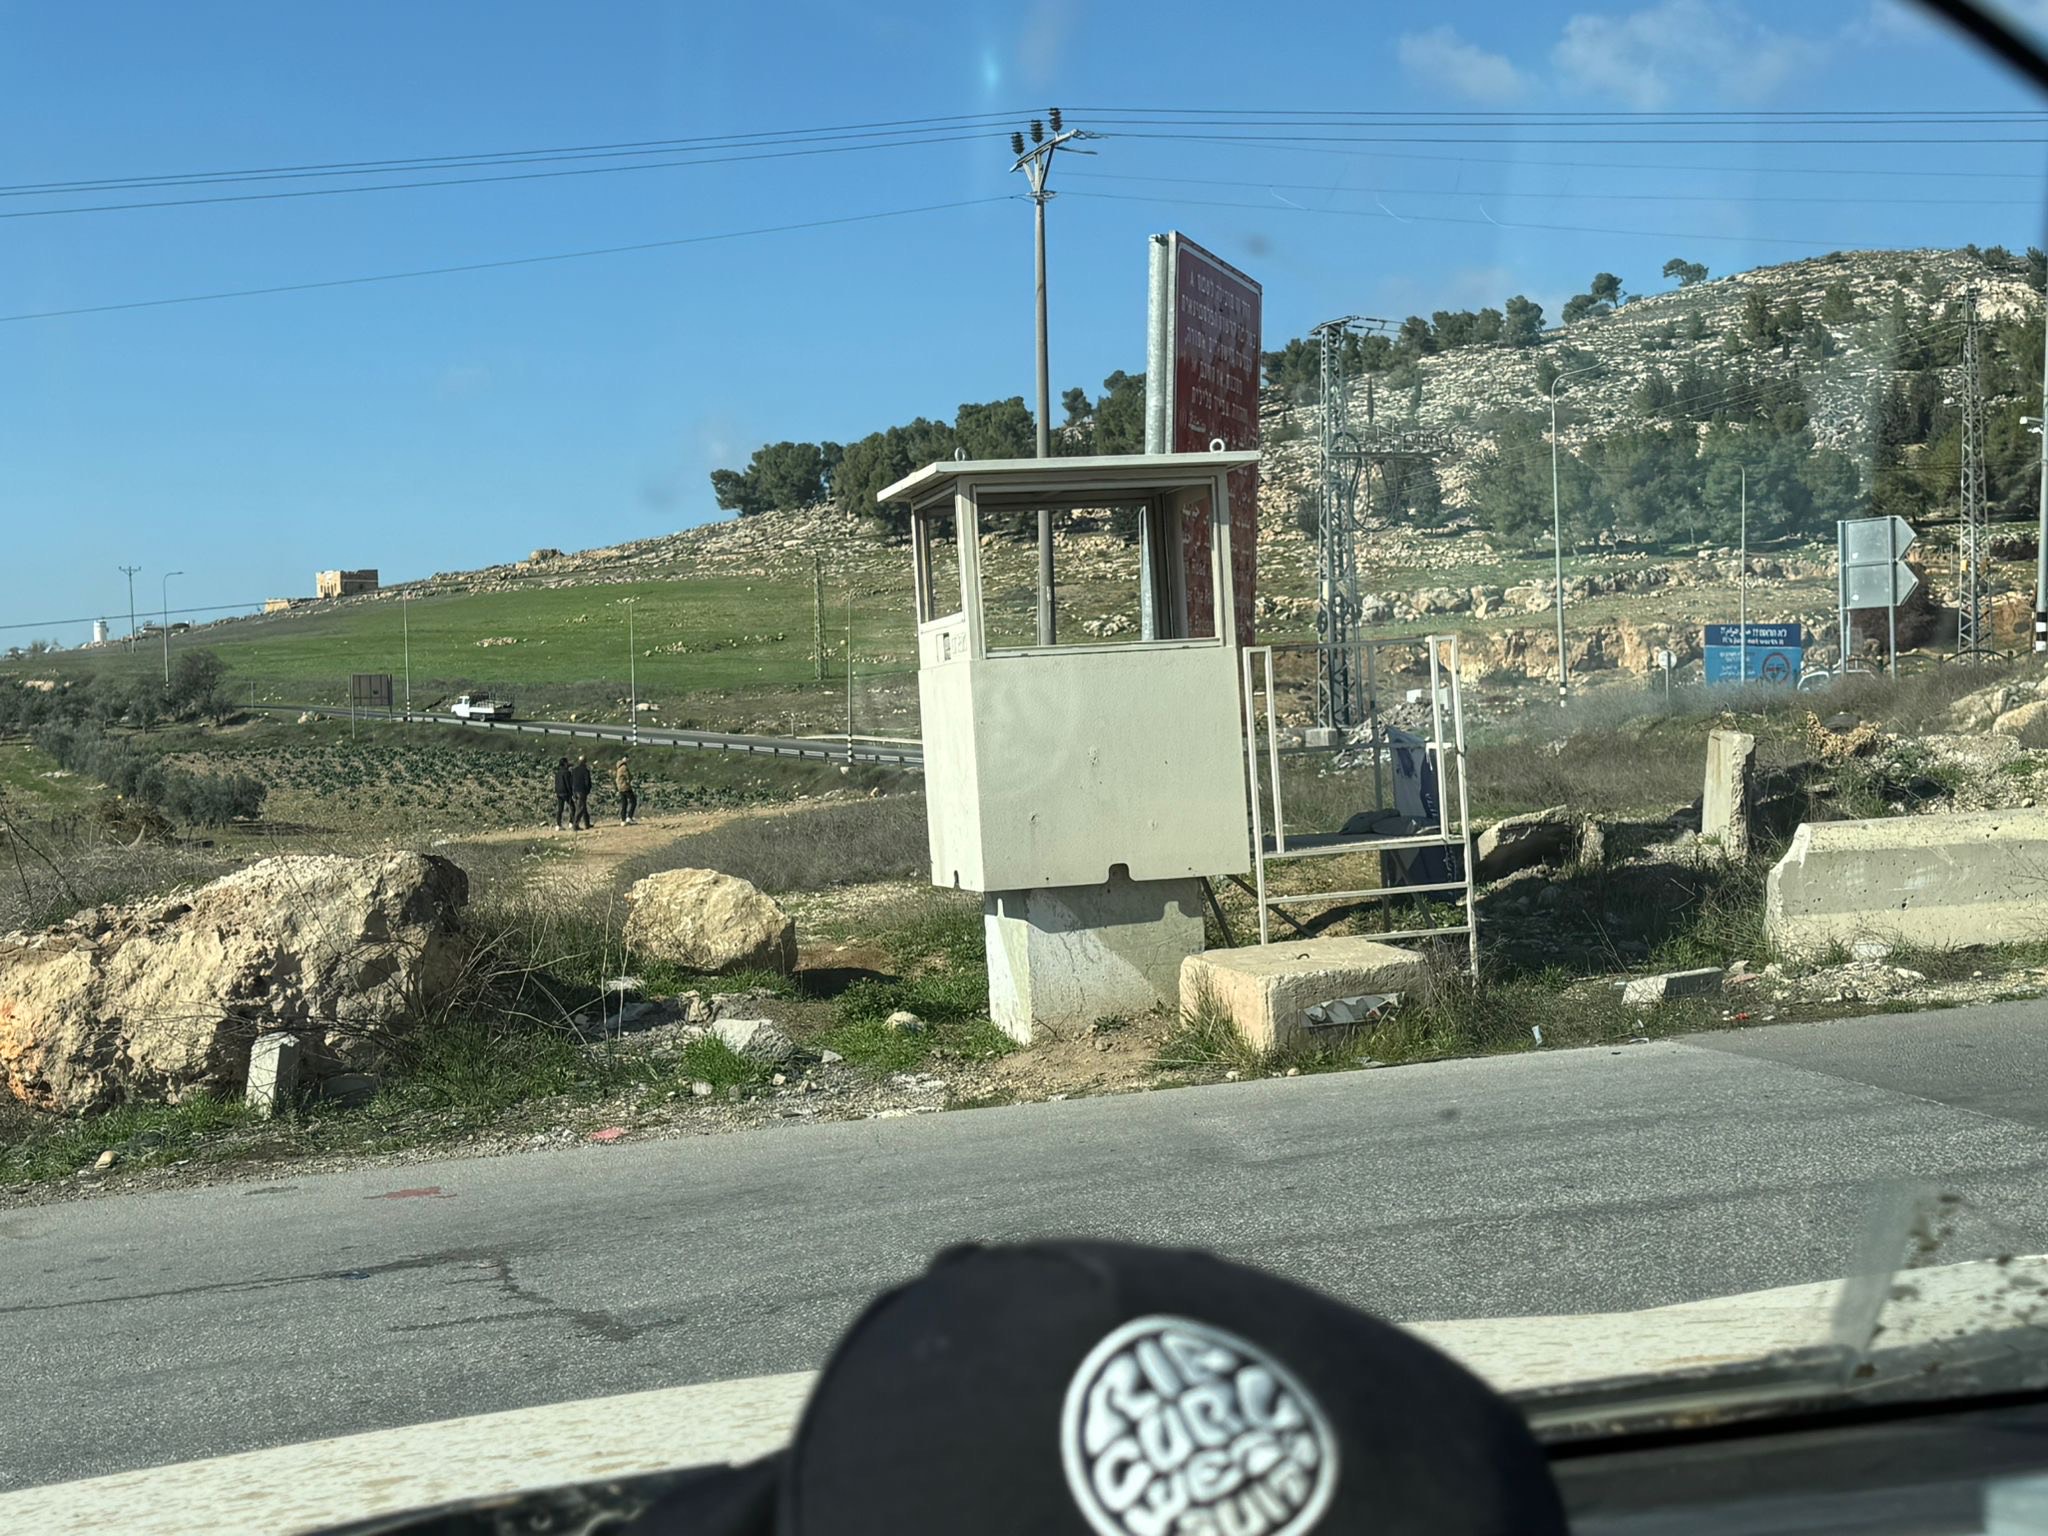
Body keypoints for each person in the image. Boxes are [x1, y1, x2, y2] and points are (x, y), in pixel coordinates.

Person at [570, 753, 594, 830]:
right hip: (582, 791)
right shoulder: (585, 771)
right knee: (581, 808)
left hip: (575, 791)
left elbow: (571, 781)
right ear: (585, 762)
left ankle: (587, 823)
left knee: (582, 807)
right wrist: (587, 790)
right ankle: (575, 824)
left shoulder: (574, 770)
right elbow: (587, 783)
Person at [551, 756, 574, 830]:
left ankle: (558, 824)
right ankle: (571, 822)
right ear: (565, 763)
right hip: (566, 792)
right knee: (572, 807)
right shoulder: (567, 772)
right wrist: (571, 792)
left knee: (560, 809)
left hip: (559, 792)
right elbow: (568, 783)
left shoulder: (558, 773)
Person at [615, 755, 638, 824]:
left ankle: (623, 819)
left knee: (624, 803)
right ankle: (629, 817)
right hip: (626, 787)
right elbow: (629, 776)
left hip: (620, 787)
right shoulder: (624, 767)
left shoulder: (618, 767)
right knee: (633, 801)